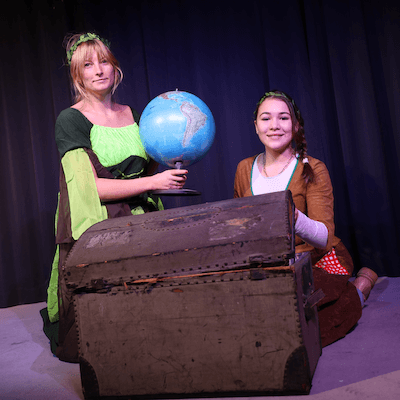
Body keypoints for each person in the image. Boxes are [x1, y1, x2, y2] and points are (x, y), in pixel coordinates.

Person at [41, 32, 188, 362]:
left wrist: (168, 174)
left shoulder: (134, 114)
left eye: (104, 61)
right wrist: (153, 181)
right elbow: (91, 188)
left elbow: (146, 173)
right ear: (77, 75)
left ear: (115, 67)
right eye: (87, 65)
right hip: (100, 223)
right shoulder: (71, 120)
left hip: (142, 217)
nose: (98, 70)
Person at [234, 90, 378, 347]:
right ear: (256, 126)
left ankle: (359, 289)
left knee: (303, 322)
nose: (274, 126)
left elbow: (324, 238)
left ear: (296, 125)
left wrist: (291, 216)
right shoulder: (244, 168)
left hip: (316, 259)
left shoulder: (313, 168)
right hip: (268, 264)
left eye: (283, 118)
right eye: (266, 118)